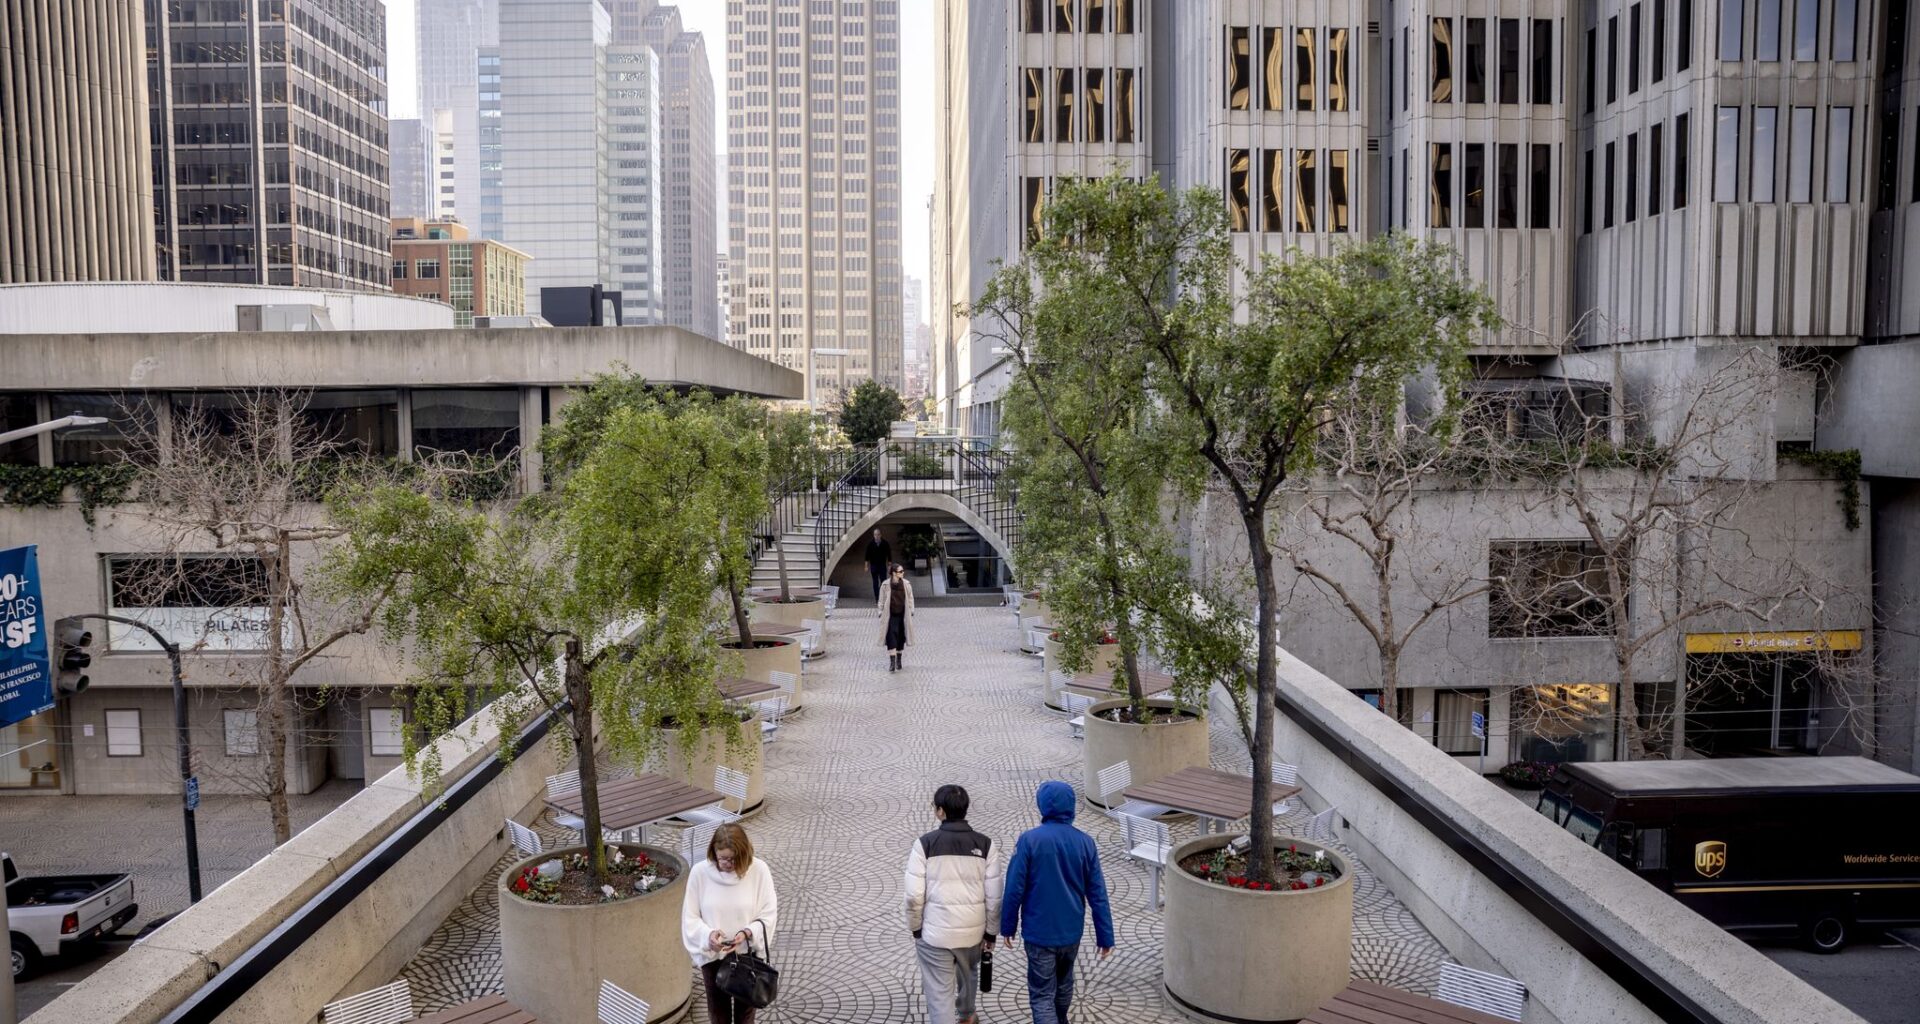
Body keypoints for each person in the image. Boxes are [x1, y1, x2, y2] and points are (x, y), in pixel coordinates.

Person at [1000, 780, 1115, 1024]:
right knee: (1064, 983)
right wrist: (1106, 937)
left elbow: (1013, 889)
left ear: (1042, 806)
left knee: (1042, 994)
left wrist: (1007, 926)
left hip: (1039, 933)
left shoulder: (1029, 840)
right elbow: (1098, 895)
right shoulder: (1085, 843)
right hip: (1071, 932)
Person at [905, 784, 1004, 1024]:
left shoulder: (924, 845)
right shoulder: (986, 845)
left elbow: (913, 896)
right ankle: (967, 1016)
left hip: (935, 933)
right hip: (972, 931)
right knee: (968, 970)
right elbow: (994, 897)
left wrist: (916, 927)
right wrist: (991, 932)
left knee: (939, 993)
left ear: (940, 811)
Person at [681, 823, 779, 1024]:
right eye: (723, 858)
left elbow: (769, 912)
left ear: (744, 854)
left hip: (747, 957)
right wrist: (709, 936)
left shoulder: (759, 870)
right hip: (714, 957)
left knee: (745, 1017)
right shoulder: (699, 873)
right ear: (713, 852)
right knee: (719, 1016)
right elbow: (689, 918)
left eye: (734, 859)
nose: (728, 863)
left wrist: (747, 933)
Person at [876, 561, 915, 671]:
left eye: (902, 571)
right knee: (891, 638)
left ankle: (899, 660)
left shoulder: (906, 584)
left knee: (900, 638)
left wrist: (911, 610)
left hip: (903, 615)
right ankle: (892, 663)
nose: (903, 573)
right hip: (890, 615)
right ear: (894, 573)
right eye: (900, 571)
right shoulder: (885, 585)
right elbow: (881, 600)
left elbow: (910, 598)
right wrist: (880, 611)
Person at [864, 527, 892, 598]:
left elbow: (889, 555)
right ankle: (877, 598)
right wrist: (866, 566)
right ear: (873, 535)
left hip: (882, 565)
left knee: (883, 582)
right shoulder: (870, 544)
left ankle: (882, 596)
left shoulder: (885, 543)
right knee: (875, 582)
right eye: (875, 535)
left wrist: (889, 566)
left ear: (880, 535)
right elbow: (867, 556)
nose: (876, 536)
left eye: (878, 534)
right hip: (874, 566)